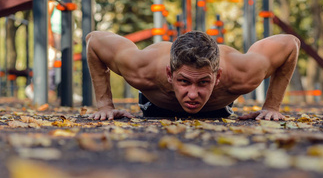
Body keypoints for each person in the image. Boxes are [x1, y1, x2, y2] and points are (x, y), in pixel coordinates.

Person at [87, 30, 300, 121]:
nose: (192, 94)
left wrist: (271, 107)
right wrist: (105, 106)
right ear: (169, 74)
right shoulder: (142, 68)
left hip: (216, 107)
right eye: (184, 81)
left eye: (203, 82)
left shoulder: (244, 73)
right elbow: (94, 40)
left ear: (218, 77)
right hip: (158, 104)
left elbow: (291, 43)